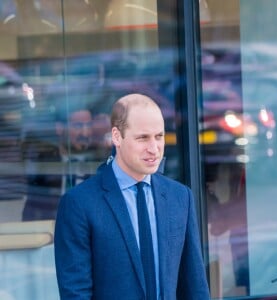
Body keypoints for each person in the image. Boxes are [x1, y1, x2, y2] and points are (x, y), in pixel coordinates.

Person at [54, 93, 210, 299]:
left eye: (159, 136)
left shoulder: (180, 197)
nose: (154, 148)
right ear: (117, 137)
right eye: (143, 138)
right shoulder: (79, 203)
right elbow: (76, 293)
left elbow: (194, 286)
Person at [22, 106, 96, 221]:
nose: (85, 133)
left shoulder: (101, 166)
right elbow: (31, 217)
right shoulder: (45, 167)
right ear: (59, 128)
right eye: (78, 126)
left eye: (89, 125)